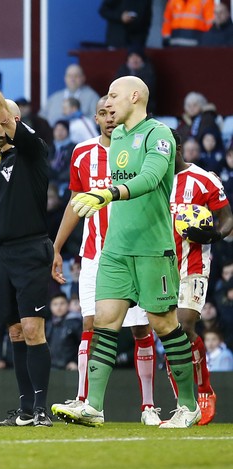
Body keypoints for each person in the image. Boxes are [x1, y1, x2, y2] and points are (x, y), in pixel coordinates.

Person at [53, 76, 200, 428]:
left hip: (152, 248)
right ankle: (94, 406)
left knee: (164, 325)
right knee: (104, 322)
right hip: (115, 249)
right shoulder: (116, 135)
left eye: (114, 96)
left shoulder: (158, 134)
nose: (108, 102)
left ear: (134, 97)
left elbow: (149, 178)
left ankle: (189, 405)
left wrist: (107, 194)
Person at [50, 96, 158, 425]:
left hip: (135, 253)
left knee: (141, 327)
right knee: (90, 325)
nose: (109, 118)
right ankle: (85, 400)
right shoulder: (82, 153)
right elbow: (73, 202)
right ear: (95, 118)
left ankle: (148, 407)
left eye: (113, 112)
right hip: (94, 254)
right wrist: (56, 248)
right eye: (103, 113)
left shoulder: (140, 148)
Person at [0, 46, 53, 427]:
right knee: (15, 330)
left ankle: (41, 410)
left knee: (34, 329)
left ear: (11, 120)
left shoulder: (33, 152)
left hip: (30, 251)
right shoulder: (2, 163)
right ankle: (23, 411)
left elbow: (1, 110)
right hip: (3, 255)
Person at [166, 129, 233, 425]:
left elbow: (227, 216)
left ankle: (204, 388)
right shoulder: (154, 179)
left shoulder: (204, 179)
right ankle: (185, 401)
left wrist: (215, 235)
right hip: (159, 265)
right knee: (168, 332)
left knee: (184, 323)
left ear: (178, 148)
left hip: (193, 263)